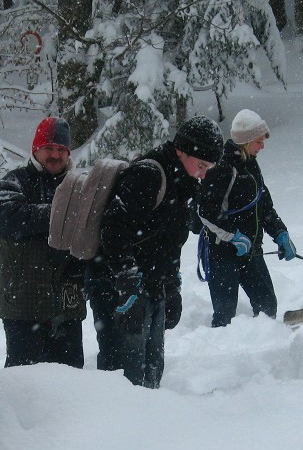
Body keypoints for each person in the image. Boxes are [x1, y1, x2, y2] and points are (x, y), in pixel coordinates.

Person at [86, 115, 224, 389]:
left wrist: (171, 289)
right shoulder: (148, 175)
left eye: (209, 167)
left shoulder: (182, 184)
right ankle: (119, 426)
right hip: (117, 288)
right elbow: (113, 231)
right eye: (201, 165)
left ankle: (150, 424)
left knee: (151, 370)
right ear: (182, 151)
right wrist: (126, 285)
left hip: (151, 287)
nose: (204, 173)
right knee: (125, 374)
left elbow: (167, 245)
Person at [0, 117, 86, 368]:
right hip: (23, 305)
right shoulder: (14, 181)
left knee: (70, 384)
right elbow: (6, 218)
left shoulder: (80, 186)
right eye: (49, 148)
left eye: (61, 150)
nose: (54, 155)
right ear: (36, 150)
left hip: (68, 303)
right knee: (23, 387)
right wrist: (62, 213)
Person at [197, 109, 297, 327]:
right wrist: (234, 236)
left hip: (251, 251)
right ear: (246, 141)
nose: (263, 146)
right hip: (221, 253)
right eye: (259, 141)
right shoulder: (221, 167)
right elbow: (205, 210)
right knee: (225, 315)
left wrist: (280, 232)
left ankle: (263, 353)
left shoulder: (251, 163)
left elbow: (264, 206)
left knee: (267, 306)